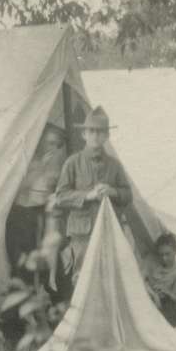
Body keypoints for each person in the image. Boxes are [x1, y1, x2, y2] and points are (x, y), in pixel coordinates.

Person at [52, 106, 133, 286]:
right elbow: (60, 197)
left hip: (109, 228)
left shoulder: (115, 165)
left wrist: (113, 191)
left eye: (101, 132)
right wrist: (87, 195)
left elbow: (128, 196)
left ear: (107, 136)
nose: (96, 136)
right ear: (84, 135)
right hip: (82, 232)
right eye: (91, 131)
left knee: (108, 274)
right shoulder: (72, 163)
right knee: (82, 277)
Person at [5, 126, 67, 284]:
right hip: (20, 216)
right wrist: (41, 167)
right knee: (21, 265)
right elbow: (16, 188)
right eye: (50, 143)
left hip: (41, 215)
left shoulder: (56, 163)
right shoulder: (26, 161)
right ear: (40, 142)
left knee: (48, 261)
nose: (53, 148)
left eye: (57, 145)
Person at [143, 233, 176, 326]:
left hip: (160, 307)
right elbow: (140, 278)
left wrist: (166, 291)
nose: (164, 258)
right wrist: (152, 293)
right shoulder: (152, 261)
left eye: (168, 254)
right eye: (161, 255)